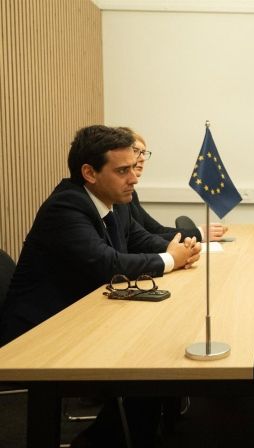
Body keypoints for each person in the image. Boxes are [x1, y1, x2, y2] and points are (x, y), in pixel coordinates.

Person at [0, 125, 201, 447]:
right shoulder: (66, 206)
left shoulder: (114, 203)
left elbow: (140, 241)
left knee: (159, 344)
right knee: (149, 357)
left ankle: (130, 432)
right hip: (42, 329)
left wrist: (180, 250)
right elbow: (107, 264)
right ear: (89, 173)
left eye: (133, 168)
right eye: (122, 170)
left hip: (86, 313)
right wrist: (169, 259)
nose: (134, 178)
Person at [119, 127, 229, 242]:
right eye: (135, 151)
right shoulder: (119, 196)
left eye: (143, 153)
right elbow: (140, 240)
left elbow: (156, 230)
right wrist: (199, 233)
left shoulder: (132, 193)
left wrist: (198, 232)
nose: (142, 158)